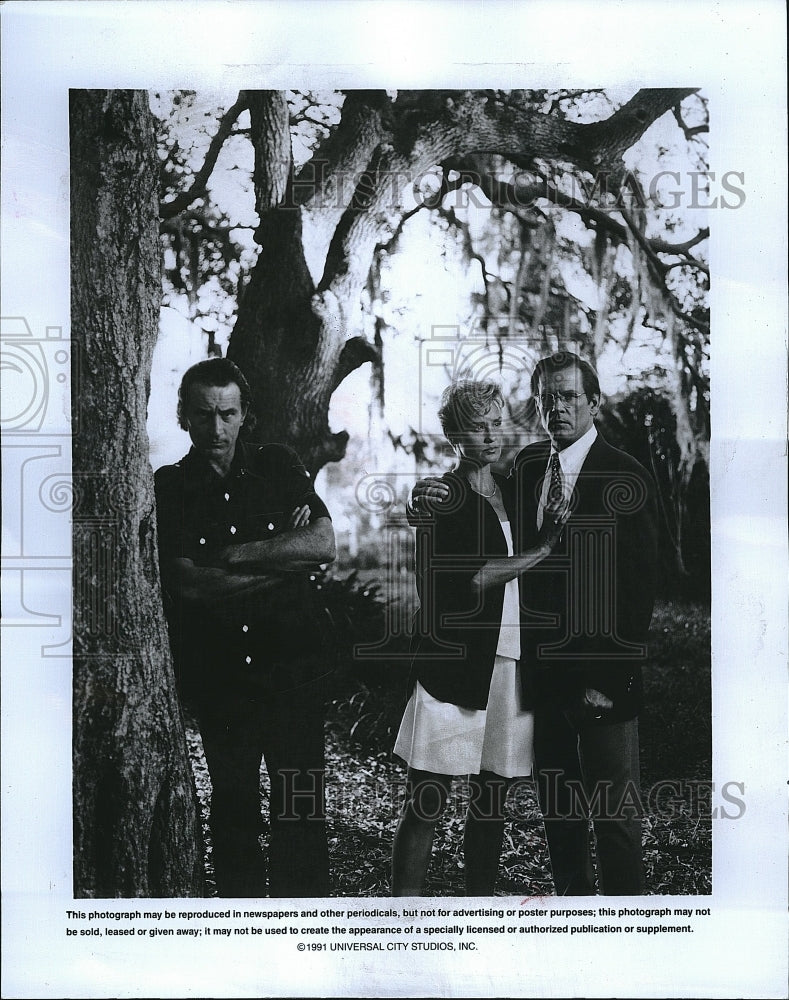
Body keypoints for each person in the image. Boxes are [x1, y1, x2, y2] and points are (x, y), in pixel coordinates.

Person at [411, 352, 658, 895]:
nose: (559, 407)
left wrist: (606, 679)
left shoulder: (626, 474)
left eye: (570, 396)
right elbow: (471, 496)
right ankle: (574, 921)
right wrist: (424, 494)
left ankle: (631, 943)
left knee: (615, 820)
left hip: (602, 680)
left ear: (594, 402)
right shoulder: (524, 468)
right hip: (538, 681)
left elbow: (640, 590)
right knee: (561, 819)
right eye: (548, 397)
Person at [154, 358, 336, 898]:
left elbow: (321, 545)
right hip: (222, 680)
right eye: (204, 415)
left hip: (294, 672)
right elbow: (190, 586)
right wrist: (282, 562)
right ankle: (243, 946)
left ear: (243, 415)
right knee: (233, 813)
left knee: (301, 812)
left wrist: (234, 555)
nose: (216, 429)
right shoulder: (170, 486)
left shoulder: (277, 465)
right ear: (184, 417)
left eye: (227, 414)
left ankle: (307, 945)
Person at [392, 380, 566, 896]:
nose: (490, 435)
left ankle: (478, 910)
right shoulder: (445, 495)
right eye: (477, 425)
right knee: (427, 797)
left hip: (511, 663)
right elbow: (474, 577)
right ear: (453, 434)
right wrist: (545, 546)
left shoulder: (514, 486)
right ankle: (401, 920)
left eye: (496, 422)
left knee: (493, 799)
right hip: (455, 663)